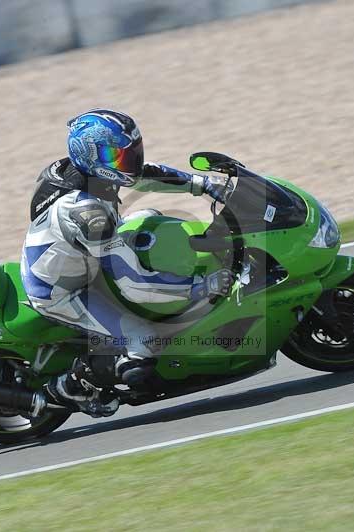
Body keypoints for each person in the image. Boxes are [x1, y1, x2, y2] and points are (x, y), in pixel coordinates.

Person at [21, 109, 233, 417]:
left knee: (152, 221)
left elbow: (147, 174)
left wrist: (202, 184)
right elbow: (135, 284)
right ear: (91, 156)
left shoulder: (78, 170)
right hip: (63, 290)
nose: (130, 162)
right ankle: (72, 386)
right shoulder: (86, 212)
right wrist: (201, 287)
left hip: (82, 256)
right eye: (118, 156)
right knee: (143, 341)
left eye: (131, 153)